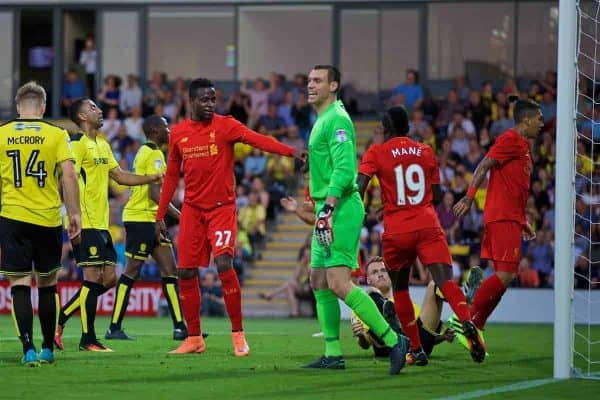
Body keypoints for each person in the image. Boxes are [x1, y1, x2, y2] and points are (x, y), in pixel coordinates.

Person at [155, 78, 306, 356]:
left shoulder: (226, 125)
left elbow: (259, 140)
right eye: (205, 100)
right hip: (192, 210)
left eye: (213, 99)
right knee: (185, 271)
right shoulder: (178, 134)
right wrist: (160, 214)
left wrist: (291, 151)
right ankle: (194, 338)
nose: (211, 104)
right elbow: (171, 177)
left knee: (224, 263)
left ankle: (238, 334)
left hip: (222, 208)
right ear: (191, 101)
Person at [357, 106, 486, 365]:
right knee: (445, 282)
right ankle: (467, 320)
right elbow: (438, 197)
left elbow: (359, 188)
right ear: (407, 128)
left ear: (385, 128)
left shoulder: (377, 151)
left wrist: (371, 211)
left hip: (397, 230)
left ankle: (416, 349)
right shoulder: (425, 150)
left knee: (401, 288)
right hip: (428, 225)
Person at [303, 65, 409, 374]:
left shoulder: (337, 119)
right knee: (318, 279)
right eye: (309, 80)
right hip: (327, 204)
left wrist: (328, 208)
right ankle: (333, 353)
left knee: (338, 282)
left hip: (341, 208)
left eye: (318, 81)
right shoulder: (323, 118)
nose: (311, 85)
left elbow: (346, 169)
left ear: (333, 85)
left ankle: (394, 340)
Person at [54, 98, 161, 352]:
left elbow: (120, 176)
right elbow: (67, 180)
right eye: (93, 108)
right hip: (85, 222)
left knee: (110, 278)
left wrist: (151, 177)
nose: (99, 111)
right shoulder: (77, 145)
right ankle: (87, 339)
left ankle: (62, 316)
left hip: (102, 224)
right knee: (92, 277)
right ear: (81, 116)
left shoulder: (102, 144)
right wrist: (73, 216)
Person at [0, 82, 81, 366]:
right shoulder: (57, 134)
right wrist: (75, 214)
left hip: (13, 217)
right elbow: (69, 176)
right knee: (48, 284)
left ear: (19, 107)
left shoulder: (2, 134)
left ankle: (28, 349)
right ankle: (48, 348)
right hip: (47, 218)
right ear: (43, 107)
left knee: (19, 284)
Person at [453, 99, 543, 333]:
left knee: (505, 280)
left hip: (510, 218)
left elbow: (516, 189)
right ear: (526, 119)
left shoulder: (523, 146)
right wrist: (469, 197)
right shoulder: (510, 139)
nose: (542, 124)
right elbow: (483, 165)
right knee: (505, 275)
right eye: (539, 119)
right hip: (501, 217)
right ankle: (466, 317)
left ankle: (477, 324)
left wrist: (522, 221)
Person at [104, 115, 187, 341]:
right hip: (141, 219)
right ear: (155, 130)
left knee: (170, 270)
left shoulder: (145, 152)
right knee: (132, 271)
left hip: (150, 218)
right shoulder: (154, 154)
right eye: (166, 127)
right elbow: (154, 193)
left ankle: (180, 327)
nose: (169, 131)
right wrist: (181, 217)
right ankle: (113, 327)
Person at [351, 257, 477, 361]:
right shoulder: (363, 301)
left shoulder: (405, 301)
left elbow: (422, 333)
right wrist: (361, 336)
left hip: (415, 346)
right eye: (375, 272)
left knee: (434, 284)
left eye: (383, 270)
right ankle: (393, 329)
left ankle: (462, 300)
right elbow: (366, 343)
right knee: (371, 294)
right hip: (386, 347)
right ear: (368, 279)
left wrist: (442, 337)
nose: (380, 275)